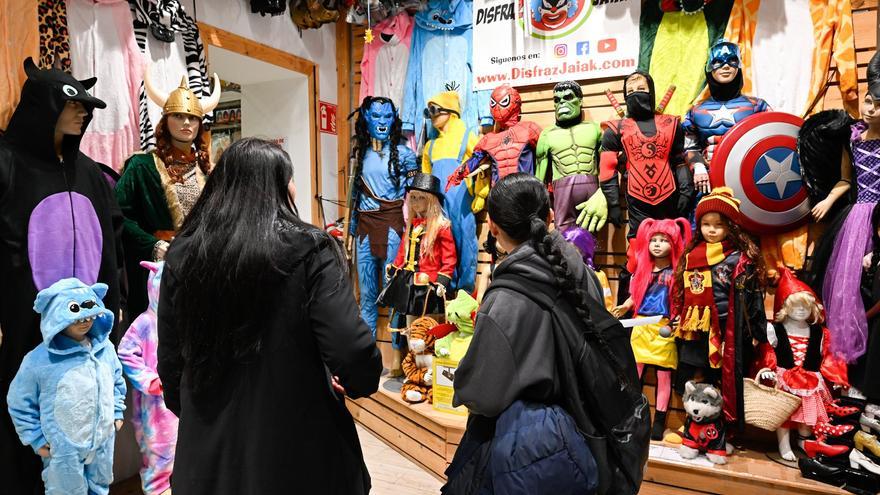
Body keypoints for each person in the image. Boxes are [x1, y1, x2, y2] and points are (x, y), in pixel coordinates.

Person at [157, 138, 382, 495]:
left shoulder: (183, 253)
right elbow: (350, 347)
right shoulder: (311, 248)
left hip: (210, 457)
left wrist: (198, 414)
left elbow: (170, 360)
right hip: (300, 449)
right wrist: (358, 381)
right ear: (280, 185)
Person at [446, 173, 644, 494]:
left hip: (528, 454)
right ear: (550, 216)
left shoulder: (505, 299)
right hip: (589, 442)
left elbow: (482, 394)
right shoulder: (581, 274)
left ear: (493, 227)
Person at [0, 57, 123, 494]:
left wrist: (115, 308)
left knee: (86, 428)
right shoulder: (8, 164)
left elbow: (111, 245)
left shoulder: (90, 173)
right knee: (27, 422)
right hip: (25, 327)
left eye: (86, 107)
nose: (83, 113)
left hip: (88, 329)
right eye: (73, 104)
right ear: (41, 105)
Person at [116, 70, 221, 319]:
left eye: (193, 118)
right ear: (166, 120)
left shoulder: (210, 171)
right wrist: (154, 245)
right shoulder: (142, 166)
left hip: (203, 267)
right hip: (158, 270)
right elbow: (118, 214)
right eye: (178, 116)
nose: (186, 123)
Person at [7, 278, 126, 495]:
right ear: (57, 316)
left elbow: (116, 381)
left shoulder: (105, 349)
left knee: (100, 487)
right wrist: (35, 437)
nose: (86, 321)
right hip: (63, 450)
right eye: (77, 317)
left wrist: (116, 411)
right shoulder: (39, 360)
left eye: (90, 314)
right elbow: (19, 402)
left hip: (103, 440)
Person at [118, 261, 177, 495]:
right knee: (159, 454)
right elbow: (125, 352)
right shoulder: (145, 322)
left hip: (182, 401)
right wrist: (149, 380)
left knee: (182, 450)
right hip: (156, 407)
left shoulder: (182, 322)